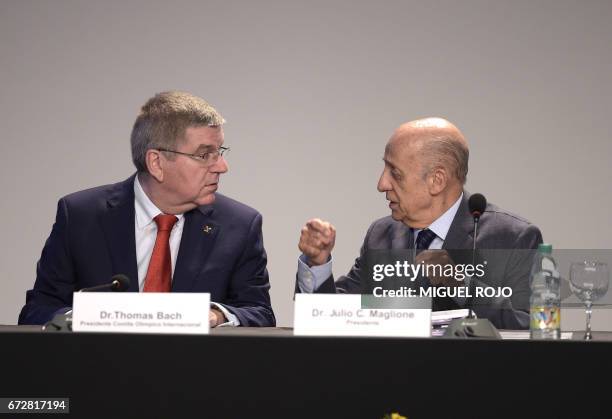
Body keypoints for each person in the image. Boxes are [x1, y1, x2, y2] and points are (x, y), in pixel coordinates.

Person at [19, 91, 275, 327]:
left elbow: (260, 313)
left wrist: (217, 315)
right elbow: (38, 311)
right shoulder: (80, 216)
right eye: (204, 154)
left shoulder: (239, 225)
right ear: (156, 162)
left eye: (219, 152)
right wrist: (87, 319)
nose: (221, 166)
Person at [296, 117, 542, 329]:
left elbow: (530, 327)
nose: (382, 184)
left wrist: (459, 284)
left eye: (395, 172)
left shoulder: (514, 237)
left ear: (437, 180)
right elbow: (334, 317)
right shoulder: (381, 234)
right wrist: (317, 266)